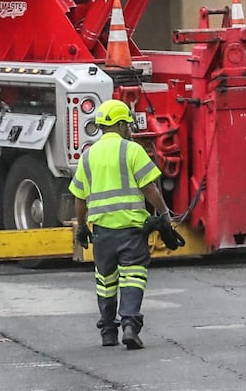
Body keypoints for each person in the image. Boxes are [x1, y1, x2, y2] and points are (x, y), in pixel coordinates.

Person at [70, 99, 185, 350]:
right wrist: (164, 215)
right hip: (132, 230)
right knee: (133, 278)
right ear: (121, 124)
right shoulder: (131, 150)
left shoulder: (88, 156)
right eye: (128, 124)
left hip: (102, 233)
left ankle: (108, 333)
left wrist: (81, 227)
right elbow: (149, 188)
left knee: (106, 281)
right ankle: (130, 326)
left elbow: (79, 198)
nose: (130, 128)